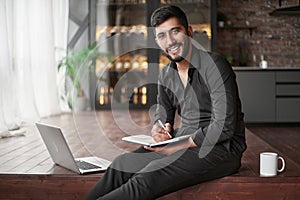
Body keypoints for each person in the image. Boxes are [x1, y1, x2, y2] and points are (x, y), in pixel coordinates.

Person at [86, 5, 246, 200]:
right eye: (162, 36)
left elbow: (225, 126)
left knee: (147, 177)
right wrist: (158, 128)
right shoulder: (166, 75)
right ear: (157, 41)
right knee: (121, 165)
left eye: (175, 31)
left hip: (222, 150)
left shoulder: (215, 65)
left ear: (189, 32)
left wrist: (179, 145)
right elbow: (163, 113)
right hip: (183, 141)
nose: (170, 41)